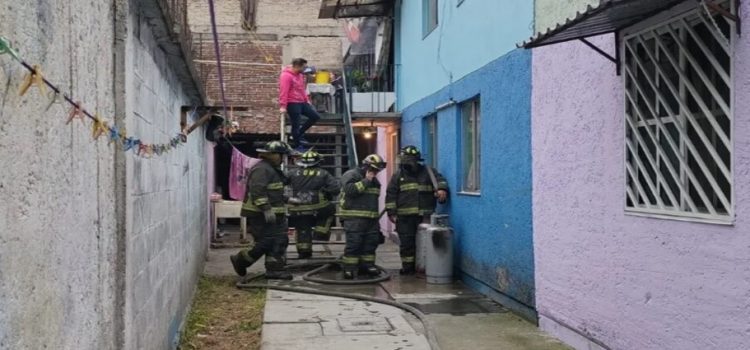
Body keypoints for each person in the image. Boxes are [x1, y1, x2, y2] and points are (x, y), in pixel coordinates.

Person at [230, 141, 294, 279]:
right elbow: (258, 191)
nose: (283, 159)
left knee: (279, 240)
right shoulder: (261, 169)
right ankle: (241, 260)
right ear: (273, 155)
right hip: (261, 214)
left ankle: (274, 270)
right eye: (282, 155)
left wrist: (287, 200)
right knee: (267, 241)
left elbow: (273, 191)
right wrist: (266, 209)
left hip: (274, 214)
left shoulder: (271, 169)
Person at [385, 146, 449, 275]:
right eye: (405, 160)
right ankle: (408, 268)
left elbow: (440, 180)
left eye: (410, 160)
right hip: (404, 218)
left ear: (417, 160)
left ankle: (424, 267)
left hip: (425, 216)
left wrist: (442, 189)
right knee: (407, 244)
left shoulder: (428, 172)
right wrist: (391, 213)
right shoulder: (398, 175)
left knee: (425, 243)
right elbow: (391, 194)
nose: (407, 163)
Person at [338, 154, 387, 279]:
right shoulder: (351, 175)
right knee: (354, 245)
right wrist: (366, 180)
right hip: (354, 218)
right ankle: (349, 269)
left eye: (377, 170)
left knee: (370, 244)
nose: (376, 172)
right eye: (374, 169)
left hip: (371, 219)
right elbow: (350, 191)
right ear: (366, 166)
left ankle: (367, 266)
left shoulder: (375, 182)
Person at [287, 150, 340, 259]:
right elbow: (335, 189)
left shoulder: (292, 173)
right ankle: (320, 233)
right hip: (319, 207)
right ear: (317, 162)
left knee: (302, 227)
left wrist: (286, 198)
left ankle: (304, 252)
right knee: (330, 210)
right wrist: (325, 192)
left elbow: (280, 183)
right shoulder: (323, 173)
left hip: (298, 207)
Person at [279, 58, 320, 150]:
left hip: (302, 101)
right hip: (292, 103)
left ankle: (298, 135)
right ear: (298, 66)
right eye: (304, 67)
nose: (305, 69)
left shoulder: (300, 75)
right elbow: (283, 91)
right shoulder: (286, 76)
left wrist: (306, 100)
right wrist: (283, 106)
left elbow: (302, 89)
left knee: (315, 116)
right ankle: (298, 146)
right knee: (296, 124)